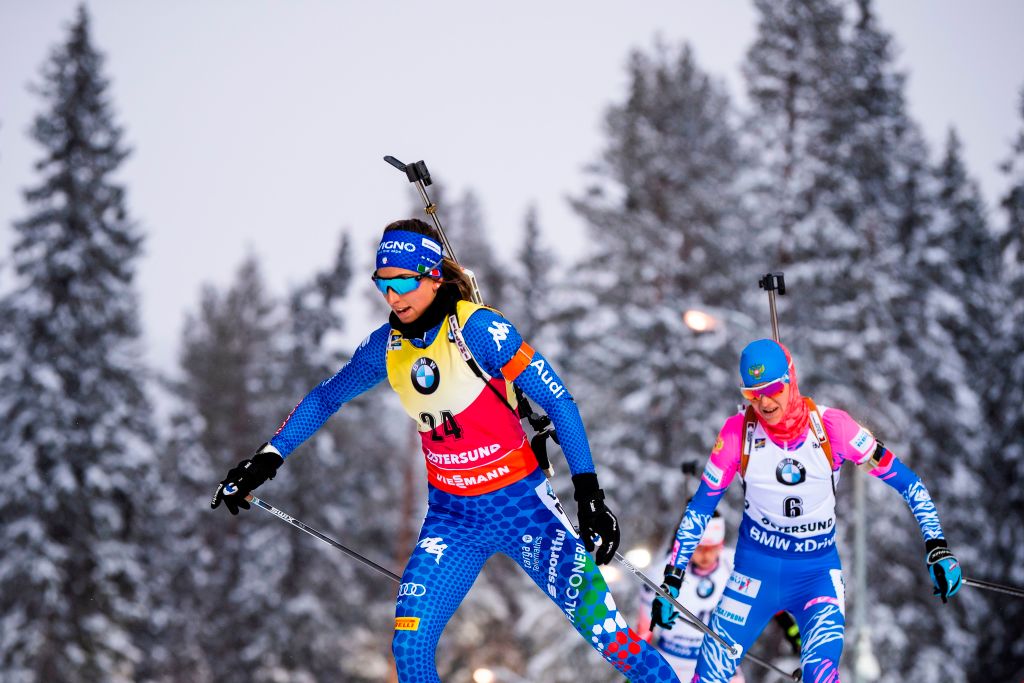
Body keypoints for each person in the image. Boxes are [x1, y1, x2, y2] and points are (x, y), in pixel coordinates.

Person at [211, 218, 682, 682]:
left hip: (523, 510)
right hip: (453, 519)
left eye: (403, 283)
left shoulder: (478, 329)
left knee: (614, 642)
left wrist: (590, 496)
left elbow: (558, 400)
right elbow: (326, 396)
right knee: (409, 647)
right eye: (383, 284)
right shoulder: (387, 346)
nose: (393, 297)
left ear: (433, 277)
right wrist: (265, 459)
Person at [651, 339, 961, 683]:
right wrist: (672, 578)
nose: (765, 403)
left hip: (816, 575)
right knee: (708, 677)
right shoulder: (737, 434)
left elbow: (908, 483)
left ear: (790, 379)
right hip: (754, 575)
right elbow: (700, 509)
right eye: (753, 394)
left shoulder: (833, 428)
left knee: (821, 676)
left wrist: (937, 546)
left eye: (772, 389)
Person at [638, 512, 800, 682]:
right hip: (672, 660)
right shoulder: (663, 574)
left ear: (720, 544)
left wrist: (791, 629)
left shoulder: (734, 565)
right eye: (700, 548)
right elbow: (644, 627)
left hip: (717, 659)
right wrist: (636, 662)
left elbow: (765, 599)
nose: (706, 555)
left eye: (712, 547)